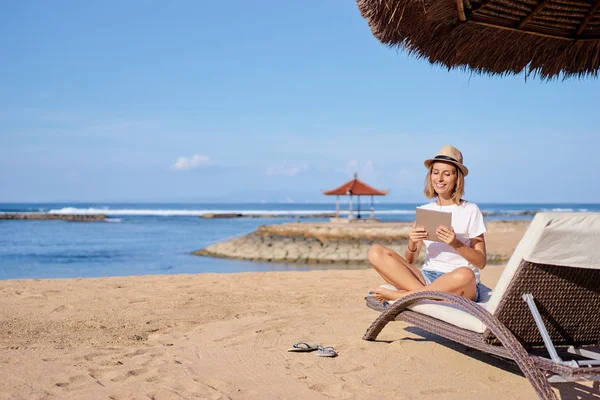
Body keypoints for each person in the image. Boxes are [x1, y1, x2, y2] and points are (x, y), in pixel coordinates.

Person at [368, 144, 487, 302]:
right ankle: (427, 295)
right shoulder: (425, 210)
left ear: (457, 178)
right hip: (427, 277)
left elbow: (481, 262)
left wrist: (455, 243)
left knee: (466, 274)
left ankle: (404, 296)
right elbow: (409, 261)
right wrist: (413, 242)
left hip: (458, 282)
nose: (439, 179)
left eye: (447, 174)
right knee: (375, 251)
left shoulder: (470, 210)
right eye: (435, 173)